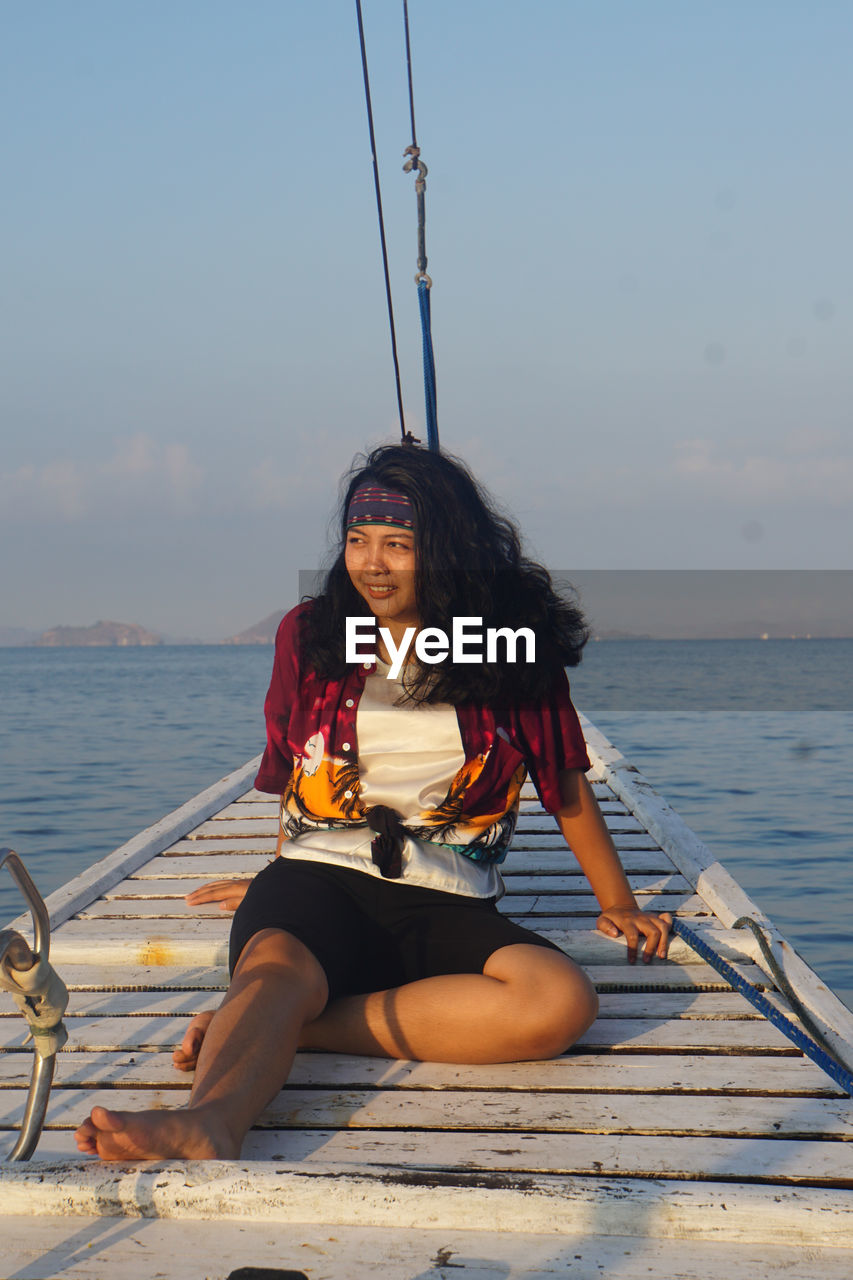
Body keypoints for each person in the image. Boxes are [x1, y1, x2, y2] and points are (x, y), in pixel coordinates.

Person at [75, 443, 671, 1161]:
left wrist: (619, 900)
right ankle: (212, 1118)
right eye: (358, 542)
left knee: (560, 1003)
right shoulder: (312, 634)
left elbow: (563, 776)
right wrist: (274, 873)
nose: (372, 563)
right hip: (318, 877)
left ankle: (290, 1022)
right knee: (275, 966)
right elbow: (296, 763)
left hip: (445, 896)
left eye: (397, 544)